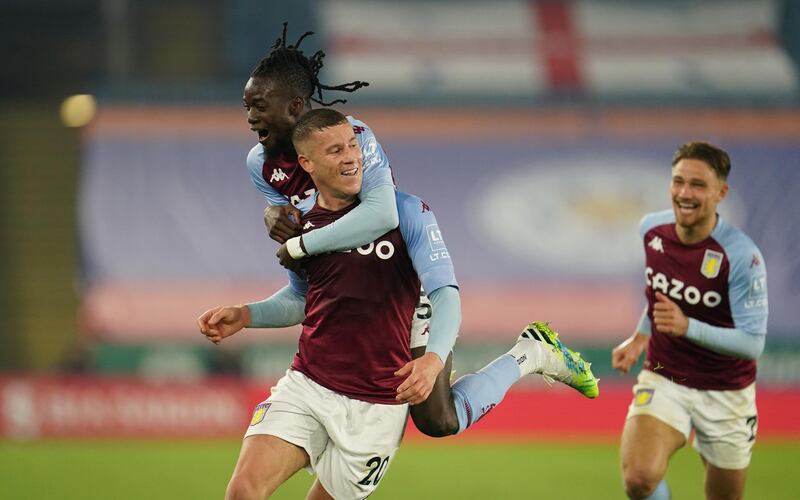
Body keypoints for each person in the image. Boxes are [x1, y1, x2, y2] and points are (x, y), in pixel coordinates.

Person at [199, 109, 599, 499]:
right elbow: (300, 301)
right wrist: (247, 314)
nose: (352, 156)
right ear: (306, 162)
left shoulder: (407, 212)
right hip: (308, 385)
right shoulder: (299, 223)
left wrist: (434, 359)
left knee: (440, 420)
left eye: (352, 145)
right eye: (335, 151)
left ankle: (529, 355)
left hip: (377, 404)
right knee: (242, 492)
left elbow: (447, 295)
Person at [240, 25, 598, 441]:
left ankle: (531, 353)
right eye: (247, 105)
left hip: (398, 281)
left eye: (259, 105)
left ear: (295, 105)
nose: (250, 117)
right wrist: (274, 216)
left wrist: (300, 243)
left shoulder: (351, 135)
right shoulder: (259, 164)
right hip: (348, 287)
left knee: (437, 420)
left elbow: (380, 214)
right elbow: (295, 239)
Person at [611, 141, 768, 500]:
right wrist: (640, 336)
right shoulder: (651, 231)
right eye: (678, 181)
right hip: (667, 374)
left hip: (727, 391)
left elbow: (753, 343)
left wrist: (688, 327)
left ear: (720, 193)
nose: (684, 193)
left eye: (697, 184)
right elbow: (660, 296)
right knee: (639, 479)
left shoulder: (742, 256)